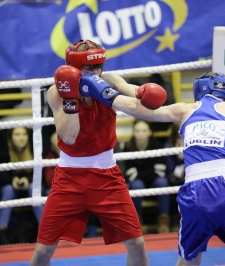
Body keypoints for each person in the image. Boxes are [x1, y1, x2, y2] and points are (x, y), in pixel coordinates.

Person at [83, 70, 225, 265]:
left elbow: (138, 109)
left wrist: (103, 87)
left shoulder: (184, 110)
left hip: (192, 192)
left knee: (187, 262)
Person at [30, 39, 168, 266]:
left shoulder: (109, 81)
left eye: (97, 66)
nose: (94, 72)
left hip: (107, 177)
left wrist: (142, 92)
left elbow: (131, 94)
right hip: (68, 178)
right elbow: (69, 136)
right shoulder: (57, 92)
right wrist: (72, 99)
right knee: (44, 249)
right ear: (74, 68)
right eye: (88, 68)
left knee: (137, 245)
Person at [0, 127, 44, 244]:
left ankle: (46, 230)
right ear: (11, 137)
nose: (21, 138)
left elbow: (42, 175)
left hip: (30, 186)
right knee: (8, 190)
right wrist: (12, 180)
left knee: (34, 189)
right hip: (11, 187)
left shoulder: (35, 150)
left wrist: (28, 180)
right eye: (17, 134)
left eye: (24, 134)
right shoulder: (4, 152)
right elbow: (2, 176)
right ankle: (2, 231)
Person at [123, 119, 171, 233]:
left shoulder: (156, 145)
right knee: (136, 185)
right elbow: (130, 173)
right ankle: (137, 222)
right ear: (133, 132)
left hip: (154, 180)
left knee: (162, 182)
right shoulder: (128, 146)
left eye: (144, 130)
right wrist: (150, 172)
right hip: (139, 181)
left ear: (149, 132)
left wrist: (141, 173)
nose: (140, 134)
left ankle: (164, 220)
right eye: (137, 130)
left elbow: (161, 170)